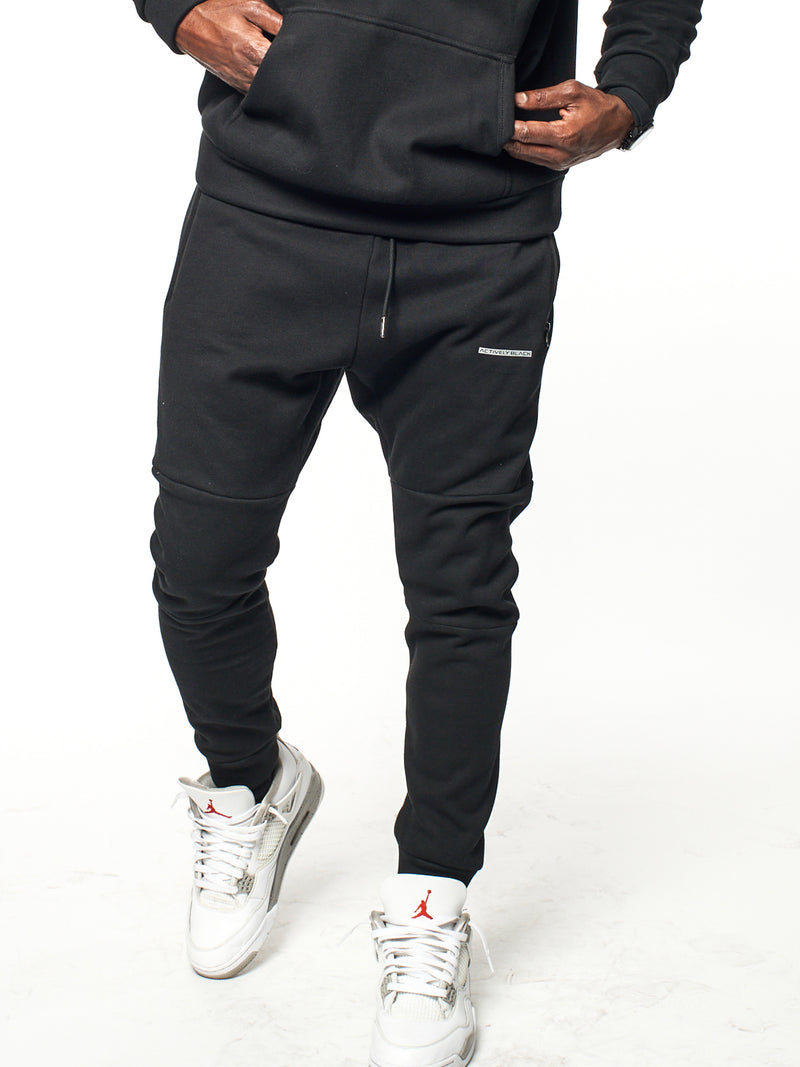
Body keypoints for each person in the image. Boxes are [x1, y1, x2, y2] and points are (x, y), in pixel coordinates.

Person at [133, 1, 703, 1063]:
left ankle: (433, 893)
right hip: (262, 219)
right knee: (200, 557)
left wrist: (628, 94)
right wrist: (176, 8)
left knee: (459, 585)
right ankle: (248, 780)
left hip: (479, 250)